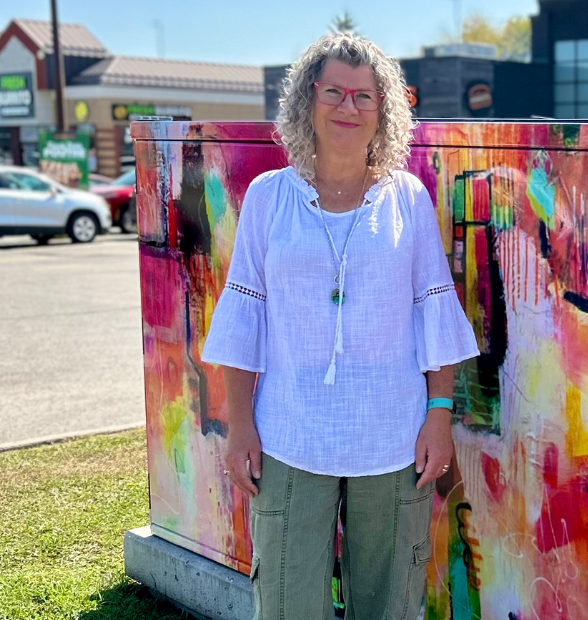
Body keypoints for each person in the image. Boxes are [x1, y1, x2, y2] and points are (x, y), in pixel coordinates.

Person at [200, 32, 479, 618]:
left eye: (364, 97)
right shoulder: (268, 198)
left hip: (394, 439)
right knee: (286, 602)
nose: (348, 108)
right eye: (334, 92)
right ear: (308, 100)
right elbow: (244, 315)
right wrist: (240, 426)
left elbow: (434, 309)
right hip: (289, 437)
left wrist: (439, 415)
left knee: (388, 604)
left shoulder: (408, 200)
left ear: (384, 110)